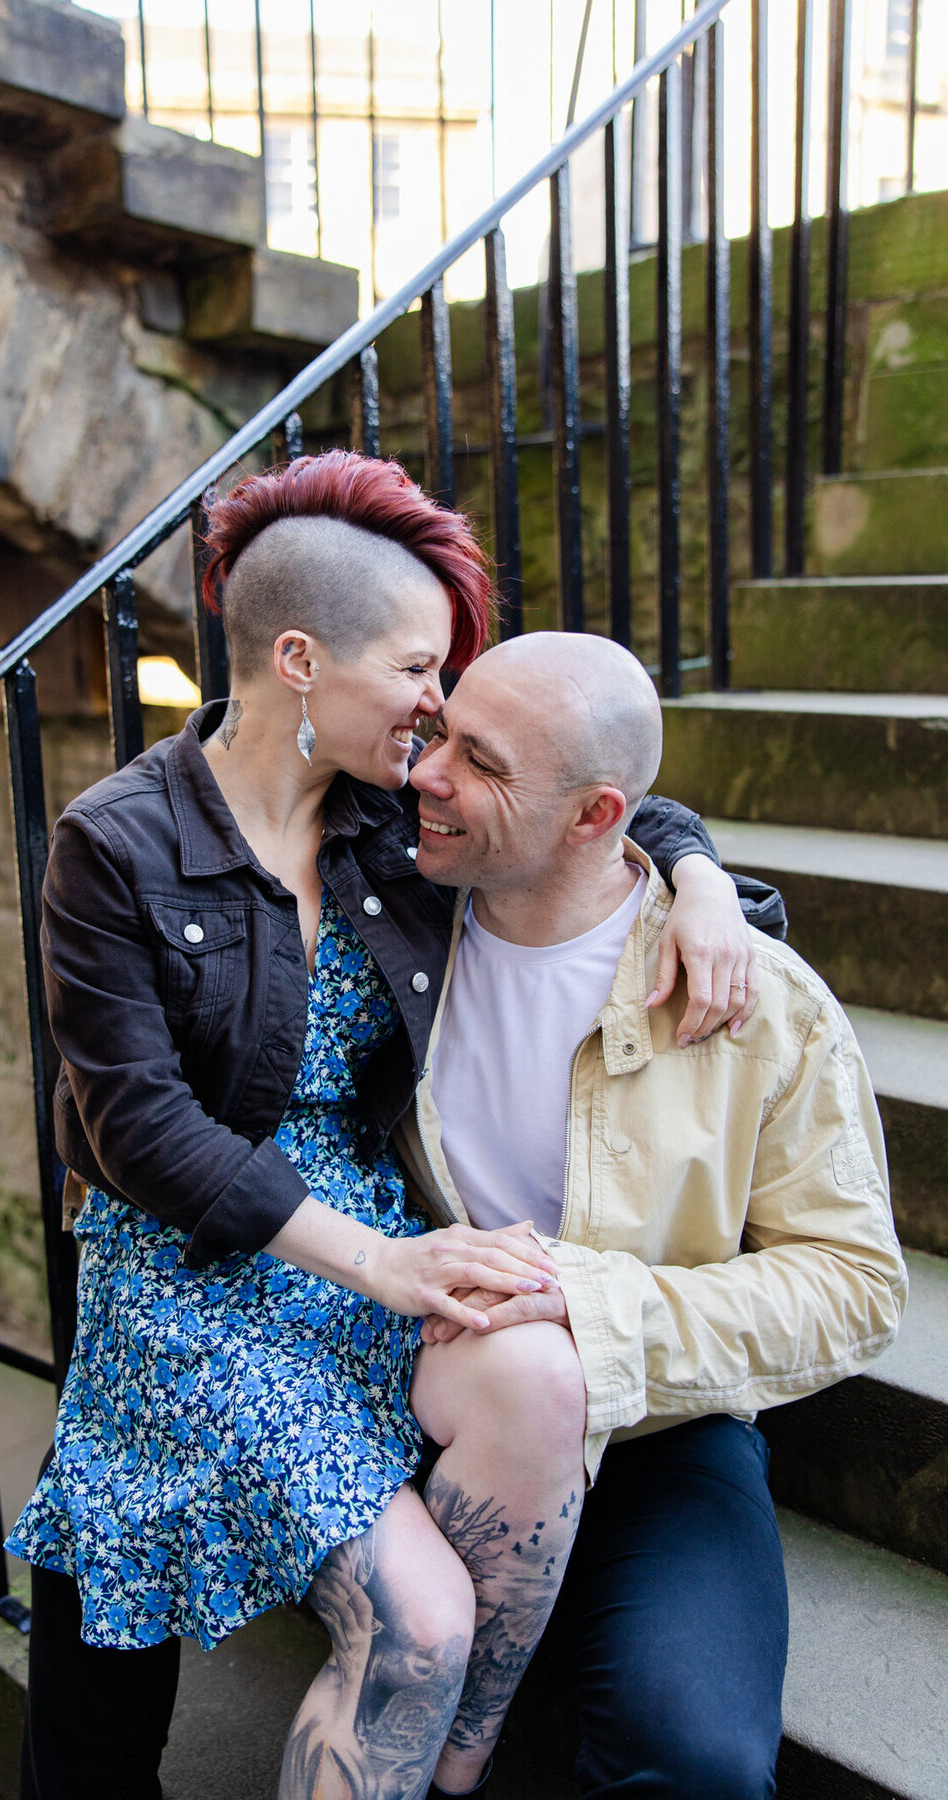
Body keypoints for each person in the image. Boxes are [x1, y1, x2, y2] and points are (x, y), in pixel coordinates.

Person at [7, 452, 768, 1800]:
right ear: (298, 658)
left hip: (375, 1235)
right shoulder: (114, 845)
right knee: (384, 1616)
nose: (440, 703)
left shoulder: (387, 813)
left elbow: (588, 788)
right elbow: (134, 1129)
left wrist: (700, 876)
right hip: (200, 1262)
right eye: (420, 670)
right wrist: (384, 1264)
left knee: (531, 1376)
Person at [394, 630, 908, 1797]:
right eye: (438, 732)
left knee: (699, 1759)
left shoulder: (755, 998)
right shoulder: (387, 927)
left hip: (656, 1426)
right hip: (421, 1395)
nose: (425, 773)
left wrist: (591, 1309)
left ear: (593, 817)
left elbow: (857, 1284)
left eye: (477, 759)